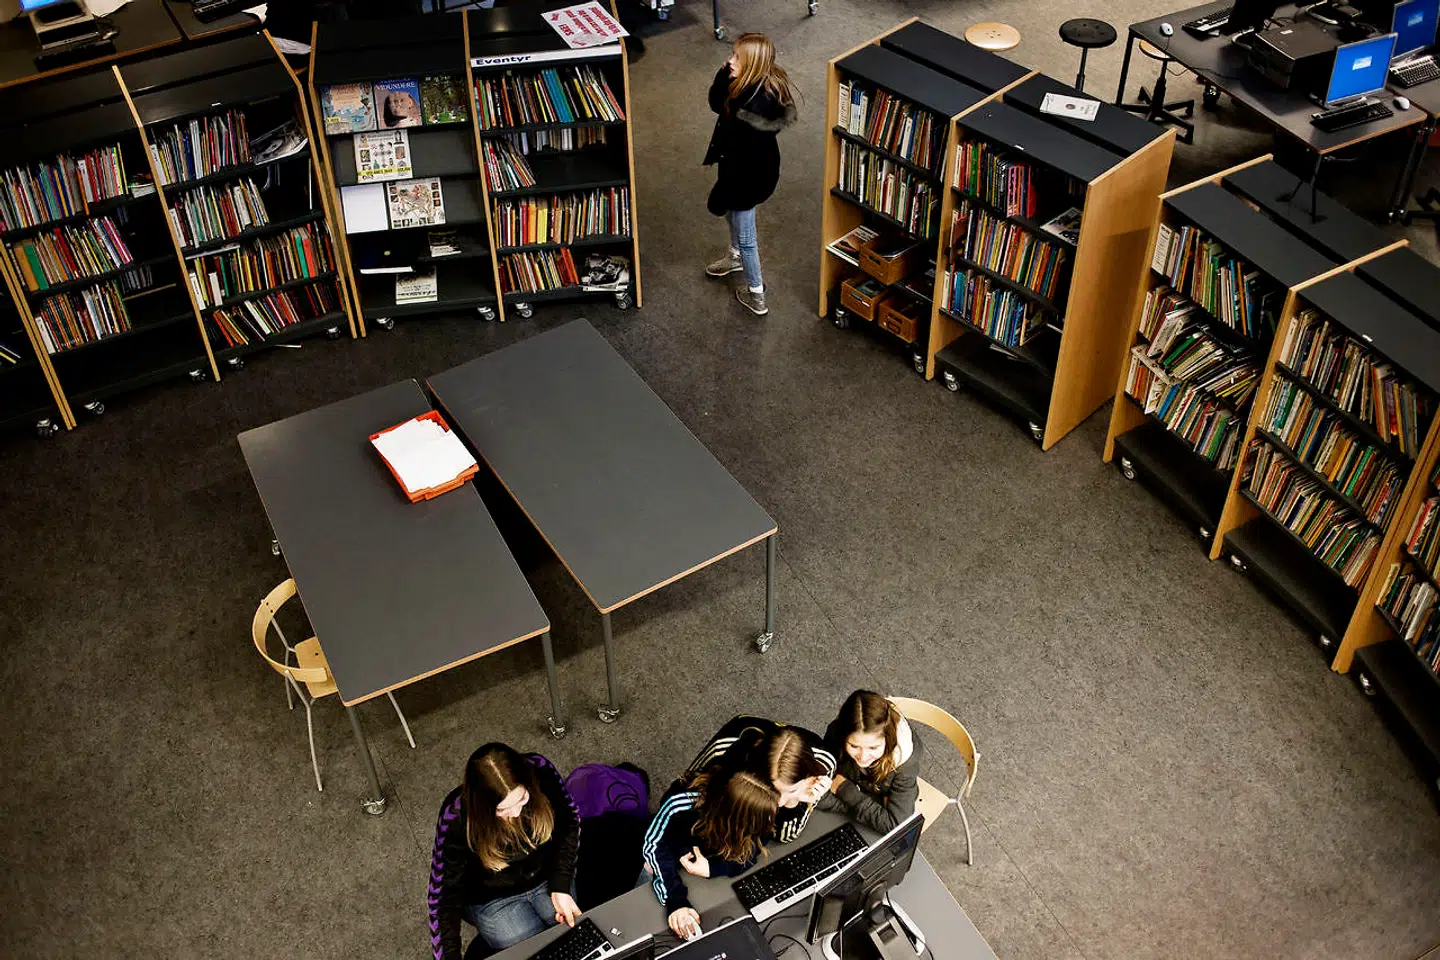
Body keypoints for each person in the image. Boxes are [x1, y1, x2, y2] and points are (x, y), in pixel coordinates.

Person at [428, 743, 582, 960]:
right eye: (502, 809)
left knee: (565, 927)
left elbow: (570, 823)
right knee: (523, 937)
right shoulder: (456, 816)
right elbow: (443, 897)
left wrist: (561, 884)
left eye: (522, 799)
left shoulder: (540, 769)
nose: (516, 813)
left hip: (545, 875)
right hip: (492, 896)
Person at [702, 32, 798, 317]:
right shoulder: (746, 86)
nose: (729, 60)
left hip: (747, 178)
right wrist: (724, 75)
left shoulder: (752, 112)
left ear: (753, 66)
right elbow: (716, 102)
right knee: (732, 215)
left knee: (747, 236)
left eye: (736, 58)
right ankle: (734, 257)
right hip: (737, 169)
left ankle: (756, 293)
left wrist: (724, 191)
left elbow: (742, 164)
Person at [641, 766, 780, 939]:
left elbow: (756, 846)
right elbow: (654, 847)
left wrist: (713, 868)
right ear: (736, 821)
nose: (769, 824)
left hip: (702, 873)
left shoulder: (761, 812)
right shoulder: (681, 806)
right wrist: (676, 901)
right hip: (664, 867)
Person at [685, 715, 835, 843]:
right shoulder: (722, 752)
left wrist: (793, 802)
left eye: (792, 790)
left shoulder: (822, 768)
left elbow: (786, 836)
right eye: (772, 789)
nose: (779, 802)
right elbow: (688, 786)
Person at [818, 691, 922, 834]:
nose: (863, 756)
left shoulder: (905, 766)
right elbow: (820, 782)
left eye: (874, 747)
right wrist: (876, 810)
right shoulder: (836, 732)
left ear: (889, 740)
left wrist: (844, 789)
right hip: (866, 803)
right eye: (854, 746)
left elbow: (895, 826)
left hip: (856, 798)